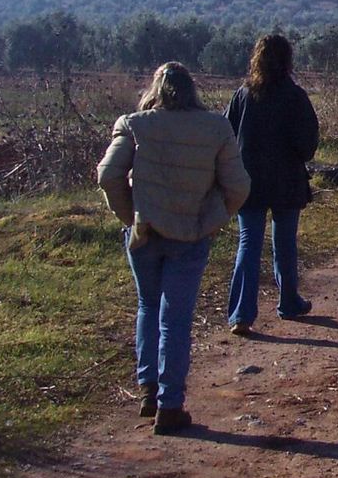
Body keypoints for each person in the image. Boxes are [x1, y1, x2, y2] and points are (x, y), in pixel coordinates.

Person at [97, 62, 250, 435]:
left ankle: (148, 390)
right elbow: (239, 186)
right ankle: (170, 404)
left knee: (148, 307)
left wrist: (130, 214)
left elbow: (107, 174)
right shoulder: (216, 127)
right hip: (191, 235)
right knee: (176, 318)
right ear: (192, 89)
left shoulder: (134, 125)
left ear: (156, 89)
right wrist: (213, 218)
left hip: (144, 233)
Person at [226, 33, 320, 337]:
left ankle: (242, 314)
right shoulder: (295, 97)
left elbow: (226, 134)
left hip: (248, 181)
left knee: (248, 242)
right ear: (288, 60)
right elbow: (307, 146)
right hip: (287, 182)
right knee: (284, 244)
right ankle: (289, 302)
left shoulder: (243, 95)